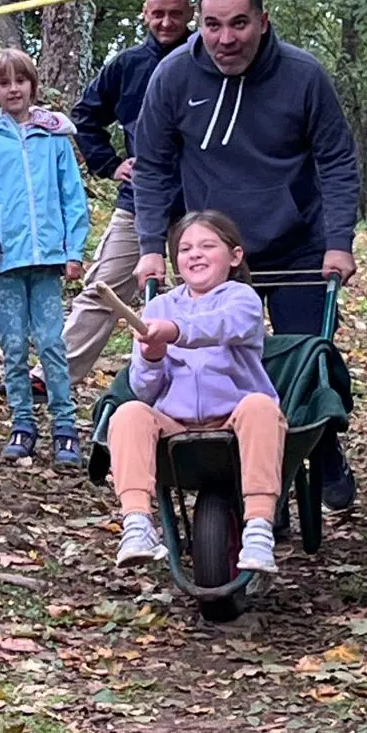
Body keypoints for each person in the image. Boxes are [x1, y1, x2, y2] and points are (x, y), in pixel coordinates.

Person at [132, 0, 359, 509]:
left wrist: (339, 241)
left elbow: (336, 161)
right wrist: (150, 246)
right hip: (215, 253)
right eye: (212, 25)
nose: (225, 38)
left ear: (262, 22)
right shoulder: (174, 76)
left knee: (307, 360)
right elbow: (153, 166)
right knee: (216, 362)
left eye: (238, 24)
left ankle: (321, 447)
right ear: (199, 24)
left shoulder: (303, 76)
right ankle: (251, 487)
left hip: (297, 247)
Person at [111, 210, 284, 575]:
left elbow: (224, 325)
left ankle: (258, 527)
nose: (195, 255)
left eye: (207, 246)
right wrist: (152, 357)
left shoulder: (243, 299)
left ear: (234, 256)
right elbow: (144, 389)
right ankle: (137, 523)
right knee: (128, 413)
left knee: (260, 406)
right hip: (176, 424)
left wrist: (175, 331)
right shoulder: (159, 306)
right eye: (185, 249)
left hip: (236, 419)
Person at [0, 48, 90, 467]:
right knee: (13, 345)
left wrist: (74, 250)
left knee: (51, 343)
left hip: (47, 260)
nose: (13, 89)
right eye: (3, 83)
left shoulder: (54, 140)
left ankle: (65, 427)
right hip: (4, 261)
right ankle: (22, 423)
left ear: (32, 84)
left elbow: (72, 197)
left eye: (20, 80)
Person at [61, 0, 193, 382]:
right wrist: (110, 163)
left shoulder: (207, 60)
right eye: (158, 14)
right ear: (145, 14)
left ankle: (199, 379)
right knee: (103, 288)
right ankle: (53, 375)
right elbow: (84, 117)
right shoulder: (127, 65)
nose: (166, 22)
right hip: (140, 197)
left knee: (205, 293)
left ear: (190, 14)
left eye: (175, 14)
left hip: (199, 203)